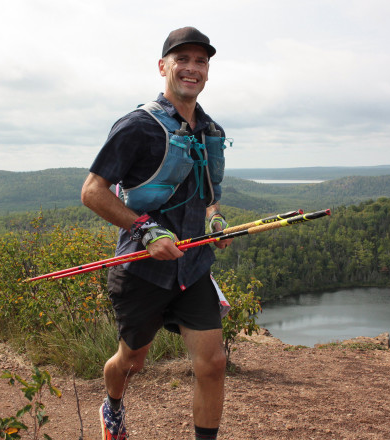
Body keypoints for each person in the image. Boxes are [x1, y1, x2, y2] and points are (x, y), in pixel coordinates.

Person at [81, 26, 232, 440]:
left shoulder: (209, 130)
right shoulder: (137, 126)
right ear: (163, 66)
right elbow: (92, 192)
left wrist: (216, 220)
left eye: (201, 61)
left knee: (213, 362)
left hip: (192, 267)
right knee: (132, 362)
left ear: (207, 72)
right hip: (141, 269)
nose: (192, 68)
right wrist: (146, 230)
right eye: (182, 59)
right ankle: (112, 406)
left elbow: (209, 196)